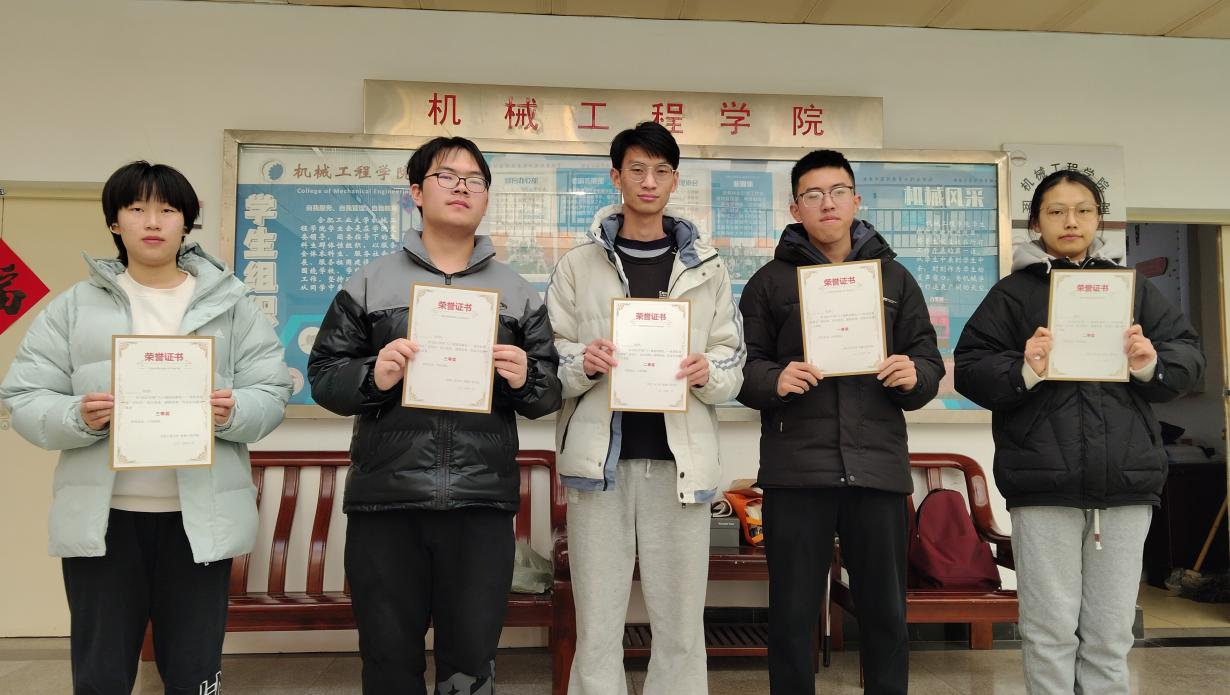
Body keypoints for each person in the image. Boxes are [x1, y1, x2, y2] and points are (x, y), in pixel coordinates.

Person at [0, 161, 292, 695]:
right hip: (103, 522)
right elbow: (23, 396)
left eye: (168, 209)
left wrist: (234, 411)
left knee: (194, 671)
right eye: (136, 208)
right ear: (115, 222)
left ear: (187, 222)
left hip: (199, 522)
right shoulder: (73, 307)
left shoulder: (231, 305)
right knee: (101, 674)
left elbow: (271, 389)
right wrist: (77, 417)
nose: (152, 221)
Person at [307, 136, 562, 695]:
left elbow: (547, 396)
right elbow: (324, 377)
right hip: (386, 502)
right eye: (447, 176)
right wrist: (374, 375)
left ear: (486, 197)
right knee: (388, 661)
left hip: (480, 503)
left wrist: (526, 377)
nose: (462, 187)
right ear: (416, 193)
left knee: (470, 666)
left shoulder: (517, 291)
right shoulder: (369, 282)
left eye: (475, 180)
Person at [954, 169, 1204, 694]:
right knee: (1048, 632)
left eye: (1083, 210)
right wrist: (1024, 368)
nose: (1071, 221)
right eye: (1056, 211)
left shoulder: (1132, 289)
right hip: (1042, 481)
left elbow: (1187, 358)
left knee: (1111, 635)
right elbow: (971, 368)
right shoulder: (1012, 295)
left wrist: (1149, 362)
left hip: (1126, 482)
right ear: (1036, 222)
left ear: (1098, 219)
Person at [546, 121, 745, 695]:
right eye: (637, 169)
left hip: (679, 467)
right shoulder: (578, 265)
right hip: (599, 468)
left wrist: (709, 373)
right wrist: (584, 362)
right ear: (616, 177)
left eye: (661, 170)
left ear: (675, 180)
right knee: (598, 625)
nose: (649, 181)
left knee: (680, 626)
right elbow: (549, 355)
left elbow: (731, 360)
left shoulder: (707, 267)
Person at [736, 149, 943, 695]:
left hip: (876, 470)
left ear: (856, 200)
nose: (827, 203)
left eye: (837, 192)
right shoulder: (768, 283)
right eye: (813, 194)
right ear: (794, 208)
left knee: (884, 613)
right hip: (797, 472)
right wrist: (774, 379)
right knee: (792, 615)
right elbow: (742, 368)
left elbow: (928, 361)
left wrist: (914, 374)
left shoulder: (894, 278)